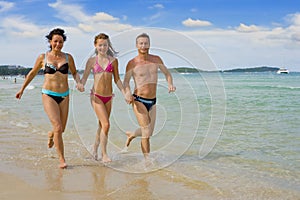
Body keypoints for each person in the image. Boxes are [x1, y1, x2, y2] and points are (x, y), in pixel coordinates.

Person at [16, 28, 82, 169]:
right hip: (48, 94)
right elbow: (32, 73)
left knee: (61, 129)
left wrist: (79, 83)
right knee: (58, 127)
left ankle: (51, 134)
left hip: (64, 95)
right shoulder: (43, 57)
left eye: (61, 42)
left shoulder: (68, 58)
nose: (58, 44)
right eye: (55, 41)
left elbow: (75, 73)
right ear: (50, 42)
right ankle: (62, 160)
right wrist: (21, 89)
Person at [122, 33, 176, 161]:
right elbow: (125, 82)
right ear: (136, 45)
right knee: (146, 132)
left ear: (149, 44)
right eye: (141, 43)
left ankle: (132, 134)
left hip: (153, 101)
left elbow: (167, 74)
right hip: (138, 100)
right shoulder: (132, 63)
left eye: (146, 43)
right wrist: (127, 94)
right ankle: (147, 161)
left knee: (149, 132)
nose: (143, 46)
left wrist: (170, 84)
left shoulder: (156, 59)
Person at [80, 33, 127, 163]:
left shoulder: (113, 61)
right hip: (96, 97)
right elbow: (84, 78)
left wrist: (124, 93)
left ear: (108, 45)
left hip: (109, 97)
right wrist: (81, 84)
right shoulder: (91, 61)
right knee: (106, 124)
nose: (103, 47)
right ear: (95, 45)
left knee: (102, 125)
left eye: (105, 45)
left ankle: (94, 149)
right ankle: (104, 154)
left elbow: (117, 79)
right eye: (100, 45)